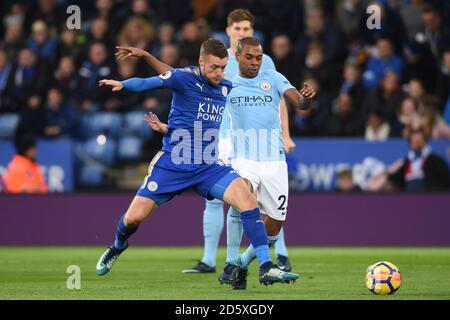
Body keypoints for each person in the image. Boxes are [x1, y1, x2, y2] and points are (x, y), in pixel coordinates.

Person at [95, 38, 300, 286]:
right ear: (201, 62)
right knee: (133, 219)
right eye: (214, 67)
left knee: (247, 199)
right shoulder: (185, 78)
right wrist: (124, 83)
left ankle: (266, 267)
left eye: (223, 67)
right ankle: (117, 247)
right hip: (173, 164)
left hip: (207, 166)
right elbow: (153, 81)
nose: (219, 73)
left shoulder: (225, 87)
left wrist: (169, 127)